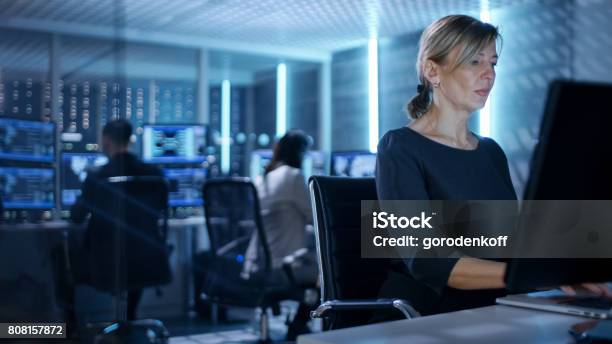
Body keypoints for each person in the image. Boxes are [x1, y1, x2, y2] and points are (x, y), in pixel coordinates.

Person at [375, 14, 515, 316]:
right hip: (426, 315)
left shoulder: (491, 152)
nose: (489, 74)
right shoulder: (399, 148)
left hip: (496, 308)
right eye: (474, 62)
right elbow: (427, 261)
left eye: (493, 63)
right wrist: (522, 276)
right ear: (432, 70)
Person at [69, 119, 164, 321]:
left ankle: (68, 326)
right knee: (134, 259)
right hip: (147, 259)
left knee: (61, 254)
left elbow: (77, 218)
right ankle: (130, 316)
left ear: (106, 140)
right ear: (130, 140)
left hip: (106, 262)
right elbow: (159, 212)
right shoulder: (154, 174)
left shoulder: (98, 176)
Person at [244, 129, 317, 340]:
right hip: (283, 266)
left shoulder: (262, 178)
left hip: (259, 264)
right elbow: (316, 216)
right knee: (331, 272)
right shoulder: (292, 177)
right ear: (300, 153)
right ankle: (300, 325)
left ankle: (298, 325)